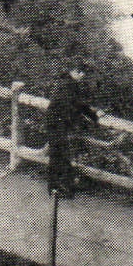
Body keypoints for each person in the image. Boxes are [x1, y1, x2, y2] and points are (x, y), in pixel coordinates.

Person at [44, 66, 99, 198]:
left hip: (55, 123)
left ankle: (57, 187)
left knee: (57, 155)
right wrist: (93, 116)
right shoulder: (69, 84)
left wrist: (92, 115)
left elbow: (77, 104)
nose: (81, 77)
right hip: (57, 124)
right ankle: (61, 187)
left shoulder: (66, 83)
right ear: (75, 72)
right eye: (80, 74)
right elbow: (75, 105)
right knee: (60, 155)